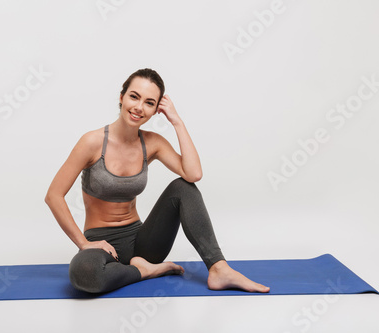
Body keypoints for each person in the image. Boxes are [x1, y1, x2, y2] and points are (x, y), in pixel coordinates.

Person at [45, 68, 270, 294]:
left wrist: (177, 122)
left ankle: (219, 269)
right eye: (134, 96)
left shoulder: (152, 143)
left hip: (144, 245)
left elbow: (193, 174)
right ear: (121, 97)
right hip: (102, 245)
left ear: (155, 110)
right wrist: (84, 244)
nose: (139, 107)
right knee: (85, 274)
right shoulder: (92, 142)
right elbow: (53, 196)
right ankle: (146, 271)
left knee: (183, 187)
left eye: (149, 102)